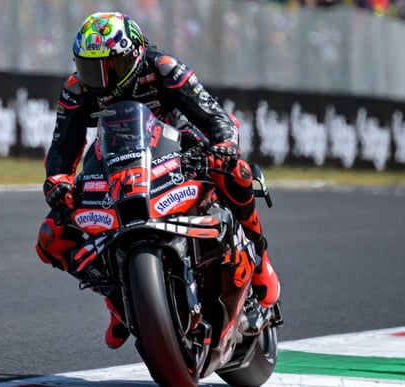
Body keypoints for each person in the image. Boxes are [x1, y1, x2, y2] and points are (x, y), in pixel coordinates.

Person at [35, 12, 281, 350]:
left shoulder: (163, 67)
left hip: (180, 148)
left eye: (112, 66)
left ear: (134, 55)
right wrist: (58, 180)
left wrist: (223, 145)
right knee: (51, 236)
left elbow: (215, 115)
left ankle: (260, 257)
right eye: (92, 68)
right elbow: (63, 146)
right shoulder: (77, 89)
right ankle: (117, 298)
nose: (102, 79)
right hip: (117, 162)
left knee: (236, 172)